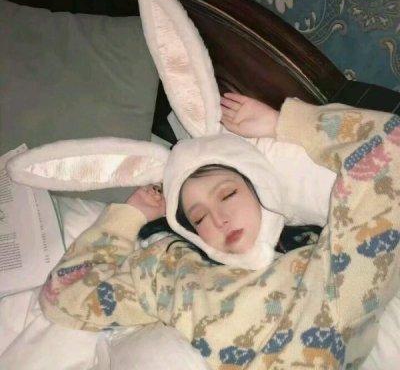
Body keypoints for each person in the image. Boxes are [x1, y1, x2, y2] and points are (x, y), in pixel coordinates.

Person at [39, 94, 400, 369]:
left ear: (259, 186)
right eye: (198, 218)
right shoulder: (174, 276)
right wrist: (129, 216)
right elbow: (64, 297)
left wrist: (283, 123)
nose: (219, 219)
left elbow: (389, 149)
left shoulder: (335, 262)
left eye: (228, 194)